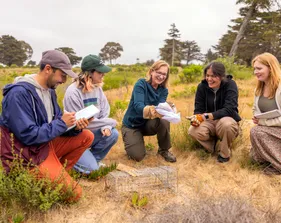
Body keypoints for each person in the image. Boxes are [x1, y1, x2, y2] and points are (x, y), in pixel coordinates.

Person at [0, 50, 94, 201]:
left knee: (86, 136)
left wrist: (75, 127)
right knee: (75, 195)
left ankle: (56, 176)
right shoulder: (18, 94)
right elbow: (28, 135)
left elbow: (55, 123)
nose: (63, 80)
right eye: (62, 75)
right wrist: (62, 123)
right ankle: (44, 180)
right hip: (26, 155)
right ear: (48, 69)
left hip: (43, 146)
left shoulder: (49, 91)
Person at [63, 55, 118, 173]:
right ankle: (71, 159)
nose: (103, 74)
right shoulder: (73, 92)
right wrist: (109, 122)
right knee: (92, 170)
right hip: (76, 136)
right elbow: (76, 124)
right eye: (100, 72)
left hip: (91, 133)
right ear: (89, 73)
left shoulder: (98, 89)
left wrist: (106, 126)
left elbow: (105, 111)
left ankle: (92, 160)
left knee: (112, 133)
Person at [121, 60, 176, 163]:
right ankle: (132, 141)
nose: (161, 76)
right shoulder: (141, 84)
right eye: (158, 72)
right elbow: (138, 107)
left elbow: (161, 108)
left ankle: (164, 150)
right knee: (137, 157)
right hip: (132, 125)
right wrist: (155, 110)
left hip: (147, 124)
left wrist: (168, 109)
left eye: (164, 74)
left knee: (164, 120)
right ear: (151, 71)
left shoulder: (163, 90)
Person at [188, 62, 241, 163]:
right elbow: (198, 108)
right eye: (207, 75)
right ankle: (213, 147)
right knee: (192, 130)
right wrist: (196, 117)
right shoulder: (202, 86)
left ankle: (224, 153)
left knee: (227, 125)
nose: (209, 79)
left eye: (213, 76)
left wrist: (208, 116)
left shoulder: (230, 84)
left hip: (226, 118)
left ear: (221, 76)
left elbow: (230, 109)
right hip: (209, 121)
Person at [250, 52, 281, 175]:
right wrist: (256, 117)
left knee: (256, 131)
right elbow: (255, 109)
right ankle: (270, 162)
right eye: (254, 69)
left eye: (259, 68)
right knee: (254, 156)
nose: (255, 72)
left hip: (275, 128)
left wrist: (263, 122)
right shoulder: (258, 89)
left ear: (270, 68)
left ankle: (278, 165)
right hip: (270, 130)